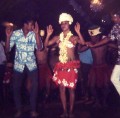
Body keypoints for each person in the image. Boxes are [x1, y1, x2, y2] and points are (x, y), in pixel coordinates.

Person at [45, 13, 85, 117]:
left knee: (71, 89)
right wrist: (48, 35)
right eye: (62, 23)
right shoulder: (58, 37)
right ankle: (64, 111)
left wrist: (78, 32)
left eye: (65, 23)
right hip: (61, 66)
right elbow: (46, 45)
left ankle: (71, 112)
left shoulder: (73, 37)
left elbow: (83, 42)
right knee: (62, 89)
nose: (63, 25)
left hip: (71, 66)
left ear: (69, 24)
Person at [5, 17, 42, 117]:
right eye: (31, 24)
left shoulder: (34, 34)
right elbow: (7, 50)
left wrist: (37, 34)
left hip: (31, 65)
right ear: (25, 25)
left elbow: (39, 47)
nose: (33, 26)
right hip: (18, 65)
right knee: (16, 88)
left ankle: (33, 110)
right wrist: (8, 37)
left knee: (34, 87)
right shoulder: (16, 34)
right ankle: (19, 110)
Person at [84, 25, 113, 107]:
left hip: (104, 67)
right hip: (94, 67)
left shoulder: (105, 43)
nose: (92, 38)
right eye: (91, 36)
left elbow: (116, 46)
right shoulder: (90, 44)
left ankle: (104, 101)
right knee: (92, 86)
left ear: (98, 36)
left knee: (106, 86)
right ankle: (97, 101)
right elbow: (80, 50)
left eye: (93, 36)